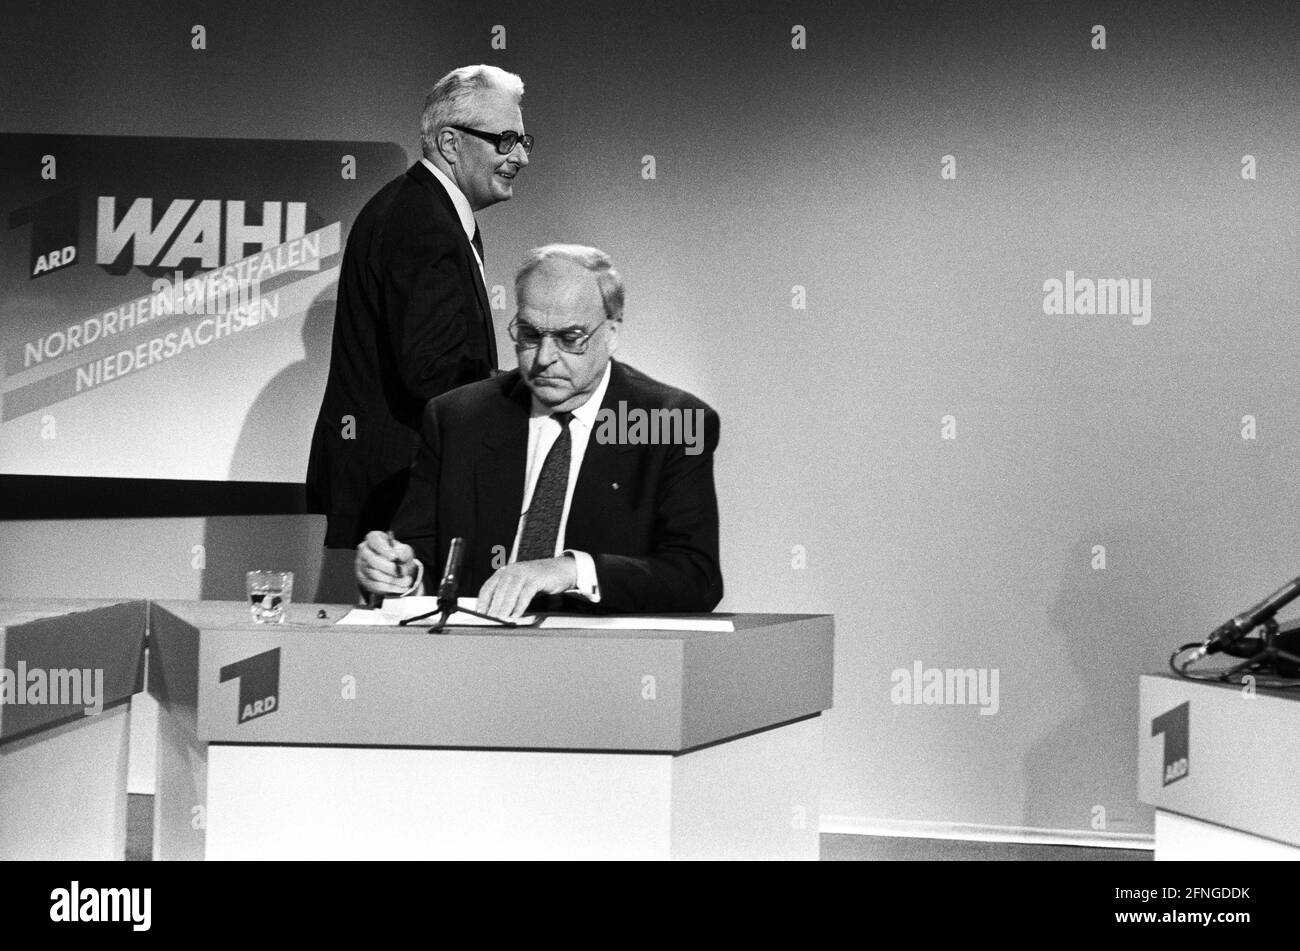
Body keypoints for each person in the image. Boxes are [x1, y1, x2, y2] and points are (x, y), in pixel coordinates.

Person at [355, 245, 723, 616]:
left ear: (610, 334)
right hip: (475, 653)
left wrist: (570, 570)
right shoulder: (457, 419)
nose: (544, 358)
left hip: (602, 661)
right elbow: (422, 559)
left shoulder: (671, 422)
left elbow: (696, 577)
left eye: (569, 338)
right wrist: (399, 574)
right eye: (530, 335)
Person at [306, 64, 531, 550]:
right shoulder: (423, 223)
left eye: (524, 141)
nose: (520, 157)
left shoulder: (421, 208)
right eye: (506, 139)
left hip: (393, 483)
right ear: (450, 143)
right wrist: (523, 395)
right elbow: (431, 372)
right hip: (399, 493)